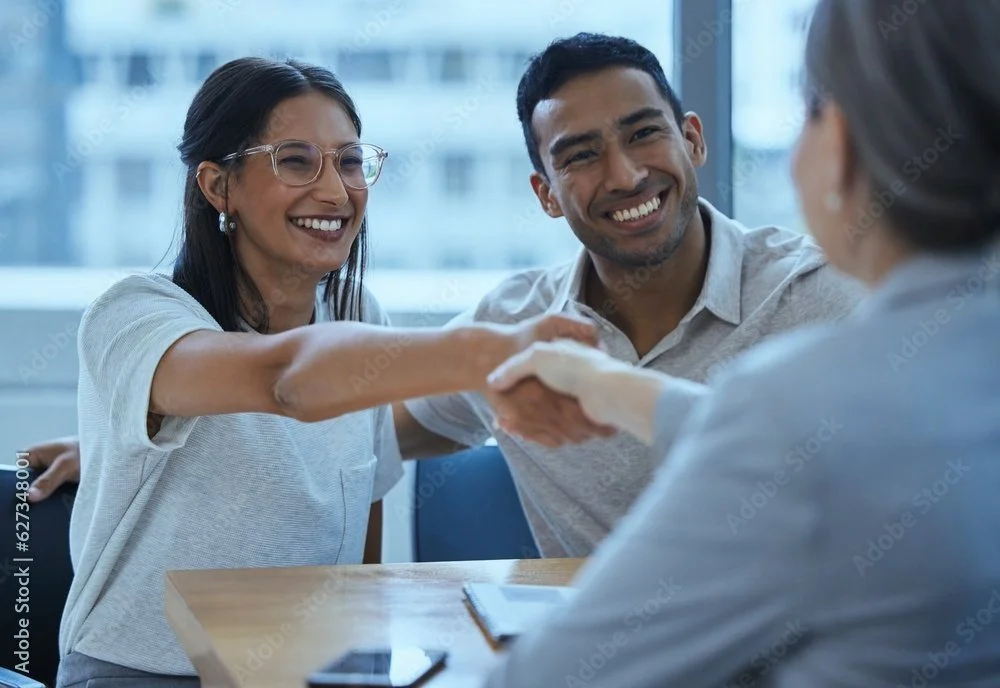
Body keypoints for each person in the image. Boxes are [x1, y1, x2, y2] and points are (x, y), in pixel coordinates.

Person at [24, 33, 866, 559]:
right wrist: (138, 435)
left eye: (644, 135)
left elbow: (338, 425)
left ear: (691, 141)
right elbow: (307, 397)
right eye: (578, 155)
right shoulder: (512, 324)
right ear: (544, 192)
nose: (622, 175)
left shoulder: (828, 299)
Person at [482, 1, 1000, 686]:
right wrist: (607, 386)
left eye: (807, 112)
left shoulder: (793, 392)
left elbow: (544, 680)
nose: (627, 174)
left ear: (837, 141)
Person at [52, 57, 596, 687]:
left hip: (304, 674)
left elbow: (358, 541)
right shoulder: (135, 314)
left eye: (349, 161)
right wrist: (491, 350)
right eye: (295, 160)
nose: (336, 192)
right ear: (217, 185)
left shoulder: (359, 316)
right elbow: (282, 381)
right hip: (144, 675)